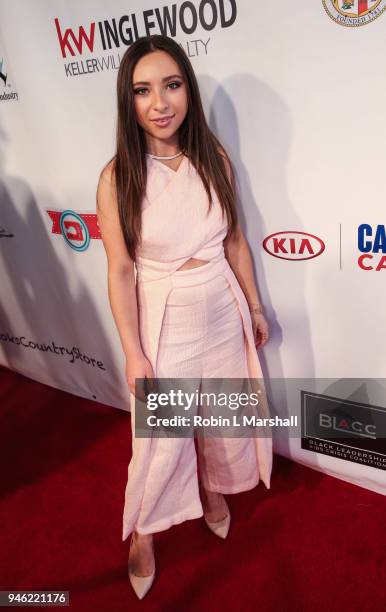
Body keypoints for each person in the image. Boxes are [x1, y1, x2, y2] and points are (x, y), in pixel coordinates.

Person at [96, 34, 273, 600]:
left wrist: (253, 304)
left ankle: (214, 488)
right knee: (161, 436)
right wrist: (132, 351)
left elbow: (237, 241)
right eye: (143, 90)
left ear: (188, 90)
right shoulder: (117, 177)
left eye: (171, 85)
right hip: (164, 313)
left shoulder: (214, 158)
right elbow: (121, 271)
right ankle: (145, 530)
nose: (160, 103)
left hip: (222, 305)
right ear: (128, 100)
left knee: (222, 413)